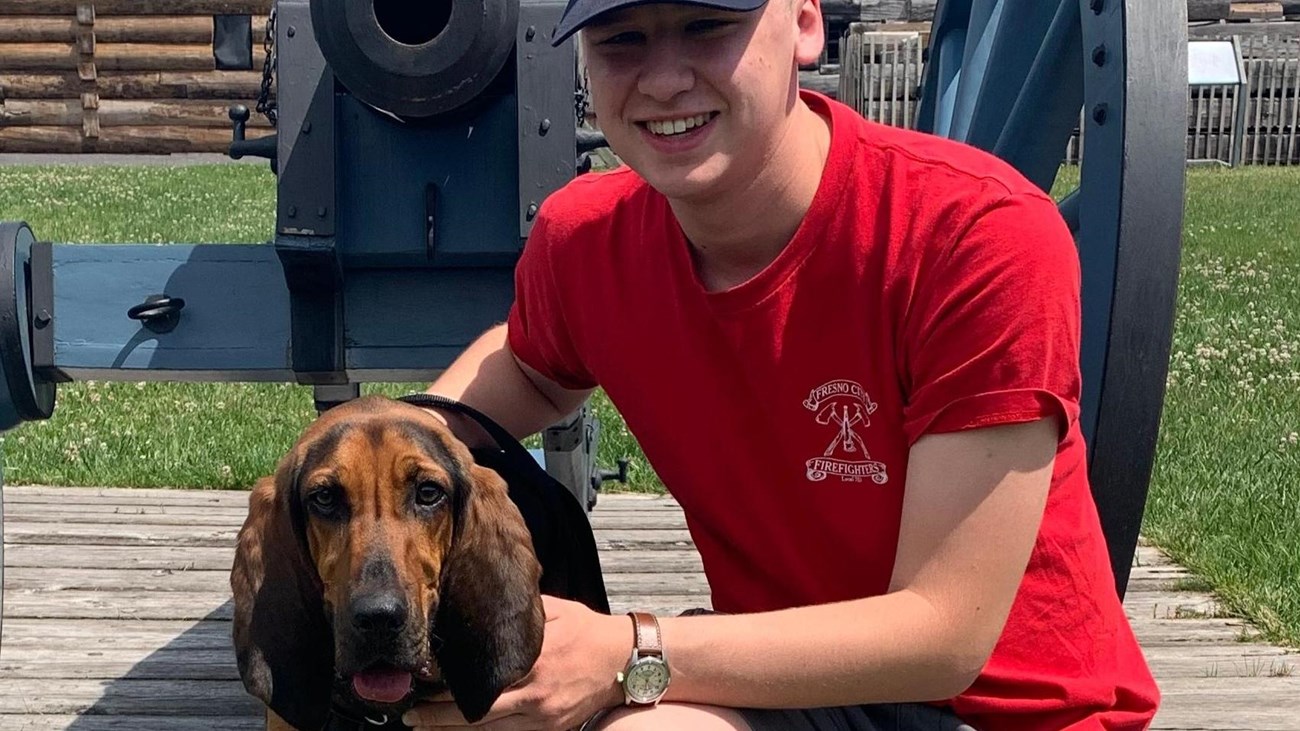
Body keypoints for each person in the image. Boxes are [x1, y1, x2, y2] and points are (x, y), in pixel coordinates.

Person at [401, 0, 1161, 727]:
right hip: (788, 688)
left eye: (707, 28)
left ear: (805, 23)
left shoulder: (975, 236)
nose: (664, 79)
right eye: (621, 40)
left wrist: (626, 648)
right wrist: (374, 464)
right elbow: (529, 369)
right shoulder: (584, 241)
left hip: (1014, 709)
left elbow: (945, 633)